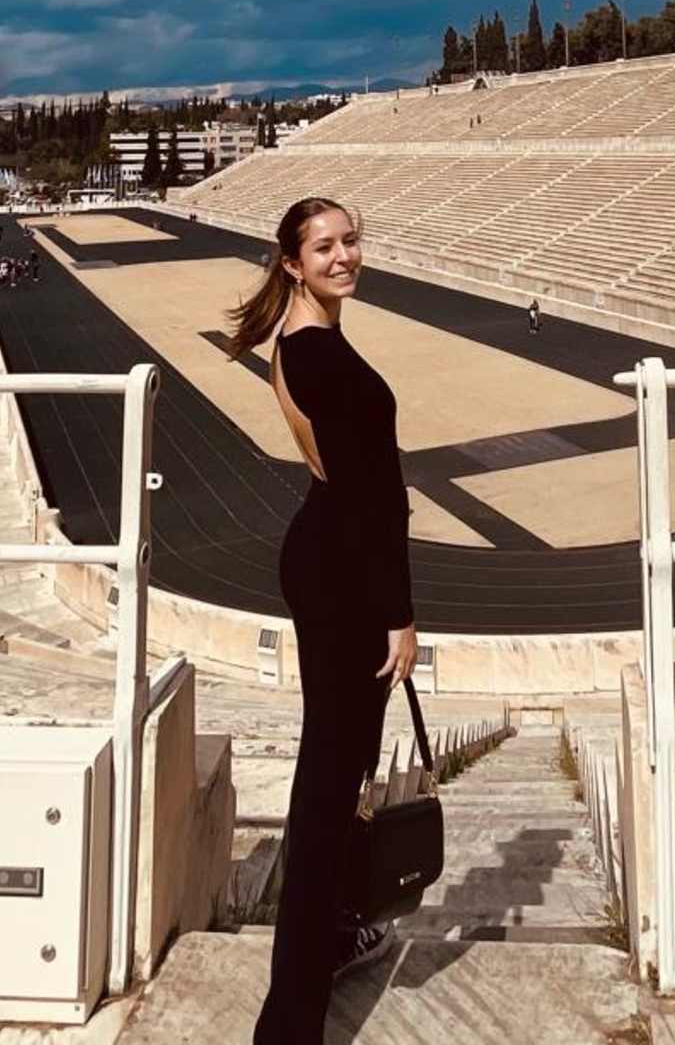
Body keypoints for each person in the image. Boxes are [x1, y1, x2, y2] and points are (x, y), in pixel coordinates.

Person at [226, 197, 418, 1044]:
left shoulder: (302, 342)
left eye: (351, 241)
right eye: (326, 246)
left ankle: (333, 933)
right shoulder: (319, 355)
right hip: (344, 573)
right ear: (293, 263)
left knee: (337, 775)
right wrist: (400, 616)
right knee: (327, 789)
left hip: (325, 555)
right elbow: (377, 500)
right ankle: (290, 1021)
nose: (345, 255)